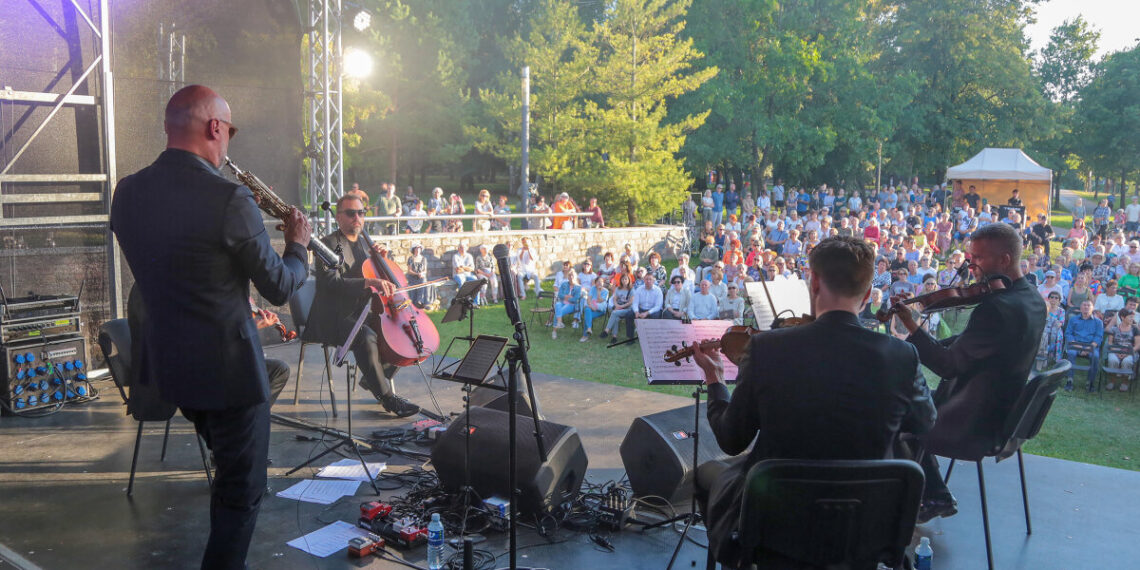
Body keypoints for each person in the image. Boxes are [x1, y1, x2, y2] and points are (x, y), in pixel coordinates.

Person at [110, 85, 312, 569]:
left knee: (229, 468)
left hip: (169, 368)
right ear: (214, 128)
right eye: (229, 130)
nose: (229, 144)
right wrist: (298, 244)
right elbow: (282, 286)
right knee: (242, 493)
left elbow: (177, 269)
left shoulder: (128, 192)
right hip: (228, 373)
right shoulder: (229, 197)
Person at [689, 236, 936, 567]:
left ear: (814, 282)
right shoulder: (902, 355)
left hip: (778, 523)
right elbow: (924, 423)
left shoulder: (767, 349)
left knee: (709, 474)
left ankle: (737, 552)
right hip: (865, 524)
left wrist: (715, 380)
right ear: (866, 295)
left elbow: (732, 441)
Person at [893, 222, 1045, 523]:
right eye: (970, 256)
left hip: (973, 419)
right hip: (1002, 411)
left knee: (894, 413)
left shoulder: (998, 308)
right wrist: (921, 340)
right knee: (911, 405)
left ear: (1004, 260)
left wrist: (910, 327)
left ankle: (932, 495)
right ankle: (935, 494)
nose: (970, 265)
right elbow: (973, 345)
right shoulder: (1031, 299)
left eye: (978, 258)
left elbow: (948, 366)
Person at [304, 194, 421, 417]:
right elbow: (330, 283)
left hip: (362, 312)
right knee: (365, 335)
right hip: (333, 316)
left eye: (361, 213)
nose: (356, 217)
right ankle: (388, 399)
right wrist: (369, 281)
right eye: (350, 213)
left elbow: (376, 279)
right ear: (339, 217)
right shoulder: (329, 244)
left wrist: (382, 260)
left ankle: (372, 378)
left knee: (396, 332)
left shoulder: (367, 246)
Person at [1064, 300, 1105, 392]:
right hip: (1075, 345)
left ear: (1092, 308)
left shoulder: (1098, 322)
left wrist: (1088, 349)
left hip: (1091, 346)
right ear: (1080, 308)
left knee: (1095, 356)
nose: (1086, 307)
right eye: (1084, 305)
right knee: (1071, 353)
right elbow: (1068, 334)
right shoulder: (1073, 319)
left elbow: (1098, 337)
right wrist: (1077, 346)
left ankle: (1090, 382)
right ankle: (1069, 381)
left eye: (1088, 305)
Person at [1104, 308, 1139, 391]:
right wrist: (1116, 352)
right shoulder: (1114, 329)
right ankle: (1112, 381)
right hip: (1115, 351)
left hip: (1130, 352)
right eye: (1130, 317)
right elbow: (1110, 342)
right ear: (1123, 317)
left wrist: (1128, 353)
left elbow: (1138, 345)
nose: (1132, 319)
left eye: (1132, 317)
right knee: (1113, 360)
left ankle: (1125, 382)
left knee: (1127, 361)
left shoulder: (1135, 329)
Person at [579, 276, 610, 342]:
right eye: (598, 282)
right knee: (587, 311)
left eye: (601, 282)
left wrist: (598, 291)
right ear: (595, 283)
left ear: (603, 283)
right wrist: (591, 306)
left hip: (600, 310)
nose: (600, 283)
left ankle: (585, 335)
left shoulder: (606, 291)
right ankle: (589, 329)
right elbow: (588, 299)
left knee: (587, 316)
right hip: (592, 308)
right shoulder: (593, 288)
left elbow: (600, 301)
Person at [405, 243, 428, 308]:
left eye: (419, 249)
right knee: (412, 288)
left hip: (421, 277)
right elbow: (409, 271)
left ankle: (420, 302)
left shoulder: (424, 259)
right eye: (416, 249)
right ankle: (413, 303)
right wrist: (417, 274)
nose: (418, 250)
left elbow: (425, 270)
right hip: (413, 278)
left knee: (423, 282)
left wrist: (422, 274)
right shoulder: (410, 258)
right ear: (413, 250)